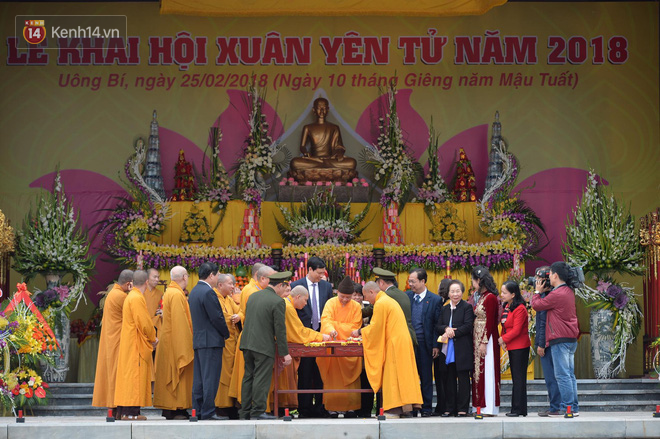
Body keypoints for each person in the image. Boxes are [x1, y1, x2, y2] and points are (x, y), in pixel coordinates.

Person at [360, 280, 423, 419]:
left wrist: (360, 332)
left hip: (395, 343)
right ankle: (407, 408)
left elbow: (376, 327)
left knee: (393, 375)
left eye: (365, 296)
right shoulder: (387, 300)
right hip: (401, 340)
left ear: (372, 292)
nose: (366, 300)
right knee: (403, 375)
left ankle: (394, 410)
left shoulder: (381, 303)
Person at [239, 271, 292, 420]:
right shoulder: (277, 301)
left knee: (248, 377)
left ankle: (245, 412)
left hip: (247, 343)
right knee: (261, 378)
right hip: (263, 346)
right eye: (286, 287)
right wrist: (284, 353)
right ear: (281, 285)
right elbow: (280, 330)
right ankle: (258, 412)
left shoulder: (253, 296)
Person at [270, 285, 330, 413]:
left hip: (281, 347)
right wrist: (320, 336)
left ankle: (280, 408)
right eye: (305, 300)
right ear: (297, 297)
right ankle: (279, 409)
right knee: (282, 381)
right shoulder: (287, 307)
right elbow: (298, 333)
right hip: (281, 349)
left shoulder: (288, 305)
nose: (306, 303)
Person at [531, 261, 580, 417]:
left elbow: (537, 305)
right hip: (570, 338)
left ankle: (567, 408)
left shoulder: (558, 293)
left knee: (562, 375)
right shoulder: (568, 291)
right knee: (569, 375)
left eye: (550, 274)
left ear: (556, 275)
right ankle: (573, 407)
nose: (549, 277)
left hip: (560, 339)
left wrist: (537, 292)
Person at [290, 256, 333, 418]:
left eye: (323, 273)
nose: (321, 276)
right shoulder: (296, 286)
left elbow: (328, 309)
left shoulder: (326, 286)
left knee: (321, 372)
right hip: (304, 336)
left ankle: (321, 407)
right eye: (319, 273)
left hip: (323, 335)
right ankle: (305, 408)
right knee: (305, 373)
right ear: (309, 270)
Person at [114, 270, 158, 421]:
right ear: (146, 282)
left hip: (130, 342)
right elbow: (144, 323)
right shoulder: (137, 298)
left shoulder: (130, 296)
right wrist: (153, 337)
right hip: (135, 345)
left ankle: (124, 412)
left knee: (129, 377)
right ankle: (131, 413)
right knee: (134, 377)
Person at [188, 262, 230, 421]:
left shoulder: (194, 291)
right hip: (211, 341)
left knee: (199, 378)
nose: (218, 277)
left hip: (199, 340)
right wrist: (226, 333)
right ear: (211, 275)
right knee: (210, 378)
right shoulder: (208, 292)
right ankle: (208, 412)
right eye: (218, 274)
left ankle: (197, 410)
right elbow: (217, 317)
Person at [317, 276, 363, 417]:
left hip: (349, 348)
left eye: (348, 297)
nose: (344, 300)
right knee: (333, 379)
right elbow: (325, 320)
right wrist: (331, 329)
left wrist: (336, 326)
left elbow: (355, 327)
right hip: (333, 345)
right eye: (342, 296)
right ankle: (332, 408)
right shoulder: (330, 303)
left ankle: (351, 408)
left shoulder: (356, 306)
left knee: (351, 379)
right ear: (337, 293)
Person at [229, 265, 275, 404]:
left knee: (250, 375)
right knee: (253, 375)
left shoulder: (255, 289)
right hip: (255, 338)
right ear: (259, 276)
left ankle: (249, 407)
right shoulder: (252, 291)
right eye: (271, 279)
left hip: (252, 337)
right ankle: (254, 407)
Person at [153, 266, 193, 420]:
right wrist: (186, 345)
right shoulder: (176, 294)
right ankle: (177, 409)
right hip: (175, 342)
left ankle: (170, 409)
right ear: (184, 277)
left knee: (167, 374)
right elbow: (180, 323)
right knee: (178, 372)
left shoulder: (170, 291)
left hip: (168, 340)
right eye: (187, 276)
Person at [92, 270, 133, 415]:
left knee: (113, 373)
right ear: (129, 284)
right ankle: (119, 409)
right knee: (118, 374)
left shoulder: (113, 294)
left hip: (111, 339)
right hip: (118, 340)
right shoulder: (121, 296)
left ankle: (116, 410)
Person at [405, 268, 442, 417]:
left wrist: (435, 345)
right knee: (411, 376)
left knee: (426, 376)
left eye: (413, 281)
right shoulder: (407, 296)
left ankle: (426, 407)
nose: (410, 284)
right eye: (409, 281)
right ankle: (413, 406)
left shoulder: (435, 300)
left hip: (425, 343)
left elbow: (436, 325)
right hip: (409, 343)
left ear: (422, 281)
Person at [289, 97, 358, 174]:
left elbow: (339, 146)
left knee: (352, 163)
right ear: (314, 110)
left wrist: (338, 153)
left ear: (328, 109)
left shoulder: (334, 127)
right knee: (294, 162)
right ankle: (326, 169)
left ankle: (321, 168)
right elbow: (302, 146)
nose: (322, 111)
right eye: (319, 108)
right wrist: (305, 152)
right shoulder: (308, 127)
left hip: (330, 159)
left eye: (324, 108)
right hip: (314, 160)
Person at [436, 280, 474, 417]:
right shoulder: (444, 308)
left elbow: (468, 325)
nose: (455, 294)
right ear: (448, 293)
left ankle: (462, 408)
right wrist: (446, 329)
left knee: (463, 379)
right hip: (447, 349)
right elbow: (438, 325)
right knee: (449, 379)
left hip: (462, 348)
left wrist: (453, 333)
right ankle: (449, 407)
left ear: (462, 292)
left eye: (458, 291)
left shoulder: (467, 307)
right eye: (452, 291)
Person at [532, 266, 562, 417]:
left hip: (549, 343)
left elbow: (543, 323)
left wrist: (541, 344)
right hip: (553, 340)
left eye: (539, 281)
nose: (536, 284)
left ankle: (555, 407)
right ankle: (557, 406)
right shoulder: (551, 295)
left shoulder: (546, 298)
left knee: (551, 377)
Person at [470, 265, 500, 416]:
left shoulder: (491, 298)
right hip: (479, 337)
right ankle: (479, 405)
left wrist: (484, 342)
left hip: (486, 339)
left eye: (473, 280)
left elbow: (491, 322)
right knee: (478, 372)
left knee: (487, 370)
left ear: (479, 280)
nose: (472, 283)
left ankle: (488, 407)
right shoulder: (482, 296)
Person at [498, 280, 531, 417]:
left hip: (520, 346)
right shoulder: (507, 306)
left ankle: (518, 409)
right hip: (512, 346)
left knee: (518, 379)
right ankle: (520, 409)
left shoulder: (520, 308)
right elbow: (505, 325)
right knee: (517, 378)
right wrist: (503, 339)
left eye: (504, 293)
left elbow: (517, 330)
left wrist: (503, 339)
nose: (501, 295)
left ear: (513, 294)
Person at [215, 273, 242, 419]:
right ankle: (221, 406)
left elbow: (239, 313)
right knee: (223, 375)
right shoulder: (215, 298)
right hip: (224, 341)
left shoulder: (228, 299)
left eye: (233, 284)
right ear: (220, 285)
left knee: (231, 374)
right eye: (230, 284)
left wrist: (239, 317)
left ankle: (230, 405)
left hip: (232, 342)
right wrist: (234, 318)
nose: (233, 287)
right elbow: (222, 317)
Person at [373, 267, 417, 348]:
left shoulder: (386, 295)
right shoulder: (403, 293)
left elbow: (372, 309)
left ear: (381, 283)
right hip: (409, 334)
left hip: (398, 338)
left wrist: (357, 311)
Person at [433, 277, 453, 416]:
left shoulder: (443, 305)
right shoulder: (444, 304)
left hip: (442, 344)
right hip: (444, 344)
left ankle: (443, 405)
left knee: (442, 378)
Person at [144, 268, 164, 336]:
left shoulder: (160, 294)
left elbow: (162, 308)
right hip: (142, 325)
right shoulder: (141, 292)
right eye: (155, 277)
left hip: (155, 327)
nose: (157, 280)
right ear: (147, 278)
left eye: (158, 277)